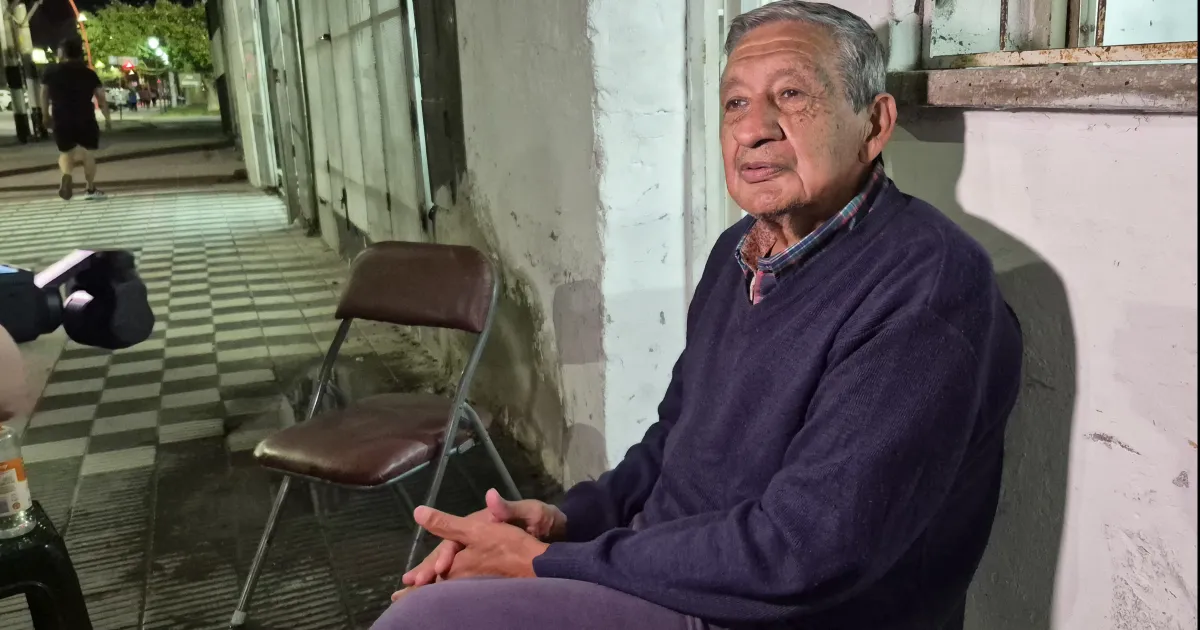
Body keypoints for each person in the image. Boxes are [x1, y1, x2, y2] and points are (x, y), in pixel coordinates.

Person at [373, 2, 1024, 629]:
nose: (753, 128)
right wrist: (567, 521)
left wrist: (547, 563)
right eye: (735, 103)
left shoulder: (925, 286)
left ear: (874, 124)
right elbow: (674, 438)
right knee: (445, 588)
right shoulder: (741, 252)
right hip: (673, 569)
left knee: (427, 621)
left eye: (792, 95)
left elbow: (802, 553)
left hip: (762, 614)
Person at [40, 37, 111, 201]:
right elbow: (101, 98)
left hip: (61, 117)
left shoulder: (51, 72)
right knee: (88, 154)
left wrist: (45, 114)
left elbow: (44, 93)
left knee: (66, 152)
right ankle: (90, 188)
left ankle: (67, 175)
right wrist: (107, 119)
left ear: (62, 52)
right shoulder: (89, 74)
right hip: (85, 118)